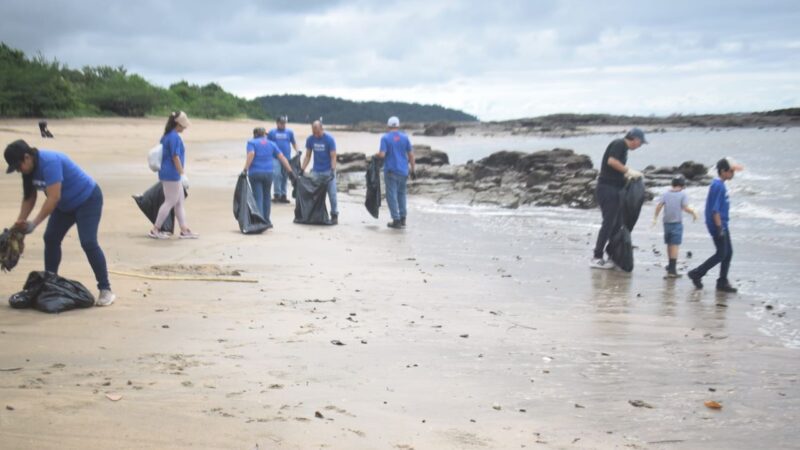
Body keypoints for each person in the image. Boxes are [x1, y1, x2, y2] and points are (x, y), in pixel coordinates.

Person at [4, 139, 115, 306]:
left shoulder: (50, 162)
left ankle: (106, 290)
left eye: (19, 166)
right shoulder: (29, 171)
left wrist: (33, 224)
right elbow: (29, 198)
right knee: (51, 239)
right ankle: (50, 283)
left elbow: (54, 197)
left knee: (88, 242)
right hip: (65, 206)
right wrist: (19, 224)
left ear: (27, 157)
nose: (19, 171)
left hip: (87, 200)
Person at [590, 127, 647, 269]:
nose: (639, 146)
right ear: (635, 139)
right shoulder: (619, 144)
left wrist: (625, 177)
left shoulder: (624, 149)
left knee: (616, 224)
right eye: (640, 143)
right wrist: (628, 171)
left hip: (614, 189)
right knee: (609, 223)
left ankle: (612, 255)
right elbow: (611, 162)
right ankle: (597, 256)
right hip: (607, 189)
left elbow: (615, 167)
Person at [688, 157, 743, 293]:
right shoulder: (718, 186)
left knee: (728, 253)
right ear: (723, 171)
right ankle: (697, 273)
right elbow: (715, 210)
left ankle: (722, 281)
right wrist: (719, 228)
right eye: (731, 171)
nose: (733, 174)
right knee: (721, 253)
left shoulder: (719, 184)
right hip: (718, 225)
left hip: (722, 223)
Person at [150, 111, 198, 239]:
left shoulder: (166, 136)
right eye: (183, 125)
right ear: (177, 124)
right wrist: (182, 174)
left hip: (168, 173)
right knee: (170, 201)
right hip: (172, 174)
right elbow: (175, 157)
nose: (185, 127)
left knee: (179, 202)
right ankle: (155, 229)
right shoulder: (174, 137)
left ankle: (184, 230)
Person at [244, 127, 296, 223]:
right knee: (267, 196)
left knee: (258, 196)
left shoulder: (251, 143)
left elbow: (251, 154)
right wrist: (290, 172)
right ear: (264, 134)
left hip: (255, 173)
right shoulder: (272, 144)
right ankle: (267, 219)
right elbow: (282, 157)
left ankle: (259, 220)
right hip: (268, 173)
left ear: (254, 135)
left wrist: (245, 169)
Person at [653, 174, 697, 277]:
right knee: (675, 245)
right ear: (682, 185)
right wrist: (694, 213)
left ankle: (670, 265)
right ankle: (672, 270)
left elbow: (659, 205)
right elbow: (685, 208)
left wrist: (655, 217)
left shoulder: (666, 194)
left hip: (666, 223)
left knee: (669, 244)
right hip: (677, 223)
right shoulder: (683, 194)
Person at [375, 116, 415, 229]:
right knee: (402, 194)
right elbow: (411, 155)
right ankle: (403, 218)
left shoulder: (385, 138)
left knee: (391, 195)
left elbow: (382, 154)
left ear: (388, 126)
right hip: (403, 171)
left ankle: (396, 219)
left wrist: (376, 155)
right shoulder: (405, 138)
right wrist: (413, 169)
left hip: (391, 171)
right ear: (398, 125)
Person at [301, 120, 338, 224]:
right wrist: (302, 169)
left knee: (332, 194)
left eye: (317, 132)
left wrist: (332, 170)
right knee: (314, 194)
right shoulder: (310, 139)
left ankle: (334, 215)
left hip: (328, 171)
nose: (315, 134)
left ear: (322, 129)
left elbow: (333, 156)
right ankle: (315, 214)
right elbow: (308, 156)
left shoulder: (329, 139)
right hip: (316, 171)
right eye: (313, 132)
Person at [267, 116, 299, 204]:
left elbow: (293, 142)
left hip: (287, 157)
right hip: (275, 157)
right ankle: (277, 194)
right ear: (277, 123)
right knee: (277, 174)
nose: (283, 124)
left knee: (285, 176)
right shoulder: (272, 132)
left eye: (284, 123)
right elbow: (268, 144)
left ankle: (283, 195)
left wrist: (297, 151)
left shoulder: (289, 132)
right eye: (281, 123)